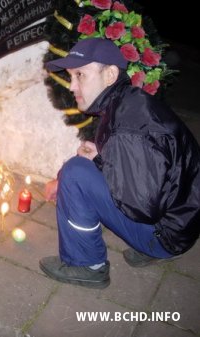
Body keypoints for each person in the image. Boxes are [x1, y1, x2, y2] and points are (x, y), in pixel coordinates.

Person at [39, 38, 200, 289]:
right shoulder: (128, 101)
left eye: (80, 74)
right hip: (184, 222)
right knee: (81, 167)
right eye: (71, 76)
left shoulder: (127, 129)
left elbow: (142, 207)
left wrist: (103, 162)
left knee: (75, 173)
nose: (72, 86)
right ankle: (155, 248)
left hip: (166, 234)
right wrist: (104, 157)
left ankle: (87, 265)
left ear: (110, 74)